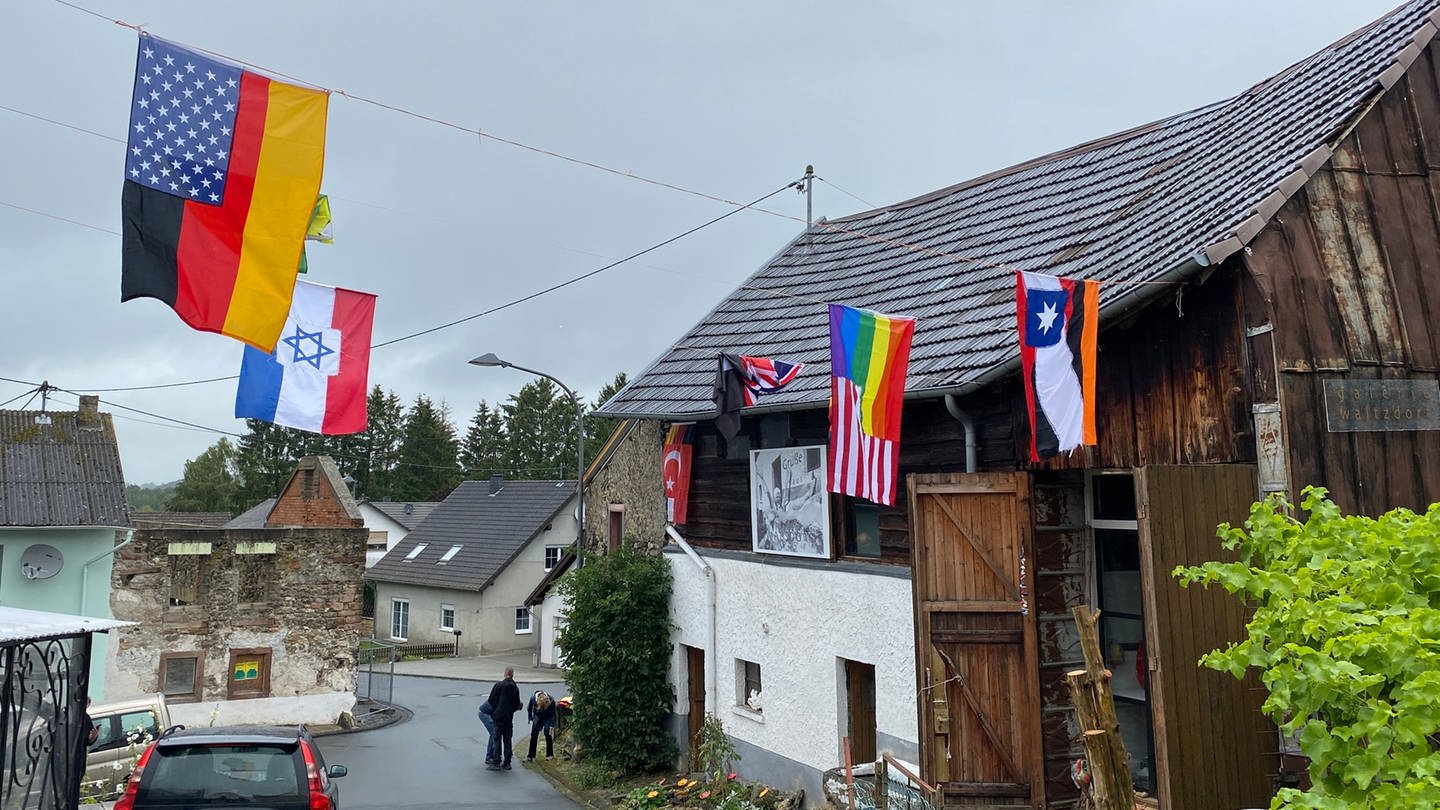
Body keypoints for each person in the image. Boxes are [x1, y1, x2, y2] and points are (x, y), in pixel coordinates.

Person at [485, 667, 521, 770]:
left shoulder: (498, 685)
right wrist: (510, 712)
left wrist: (495, 711)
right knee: (507, 739)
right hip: (508, 718)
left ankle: (496, 762)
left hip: (498, 717)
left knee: (497, 739)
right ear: (512, 674)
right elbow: (516, 704)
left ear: (505, 674)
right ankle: (507, 762)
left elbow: (491, 700)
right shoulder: (515, 688)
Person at [525, 690, 557, 761]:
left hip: (548, 717)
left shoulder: (551, 701)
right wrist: (530, 718)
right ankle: (531, 755)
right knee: (534, 734)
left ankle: (549, 754)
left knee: (547, 733)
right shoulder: (533, 698)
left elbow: (553, 715)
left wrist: (551, 725)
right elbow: (529, 708)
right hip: (538, 716)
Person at [478, 700, 498, 766]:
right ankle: (489, 757)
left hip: (488, 713)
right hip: (485, 714)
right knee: (493, 733)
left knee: (495, 733)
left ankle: (493, 754)